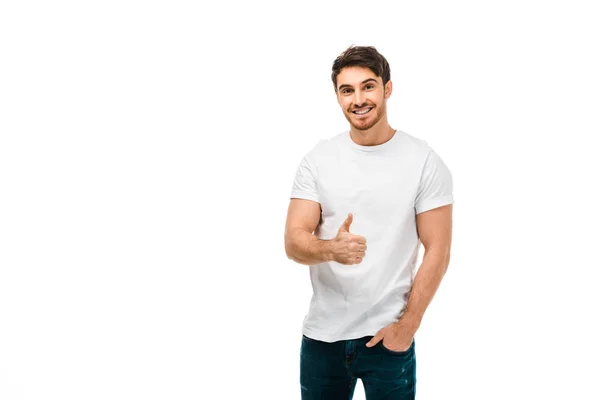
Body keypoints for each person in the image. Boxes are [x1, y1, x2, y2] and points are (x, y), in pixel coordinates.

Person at [284, 45, 454, 400]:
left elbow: (438, 248)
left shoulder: (423, 161)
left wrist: (408, 326)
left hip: (388, 340)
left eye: (368, 86)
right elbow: (294, 240)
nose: (358, 99)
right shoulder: (318, 160)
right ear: (337, 96)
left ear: (387, 89)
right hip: (322, 340)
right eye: (347, 90)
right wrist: (331, 249)